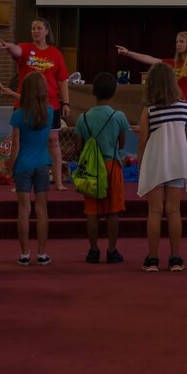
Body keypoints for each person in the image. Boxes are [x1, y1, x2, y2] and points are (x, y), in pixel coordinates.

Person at [116, 31, 187, 189]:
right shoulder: (172, 63)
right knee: (174, 147)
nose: (178, 45)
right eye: (176, 42)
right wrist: (128, 53)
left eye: (181, 42)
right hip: (173, 113)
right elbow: (152, 60)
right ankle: (174, 178)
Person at [0, 17, 70, 190]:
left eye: (39, 28)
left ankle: (58, 181)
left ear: (46, 31)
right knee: (21, 142)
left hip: (51, 104)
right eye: (33, 28)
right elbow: (17, 52)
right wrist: (10, 47)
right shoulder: (26, 48)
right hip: (25, 104)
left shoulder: (55, 53)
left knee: (53, 141)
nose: (35, 31)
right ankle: (18, 180)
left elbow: (62, 80)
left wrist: (66, 102)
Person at [137, 62, 187, 272]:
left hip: (156, 161)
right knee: (174, 211)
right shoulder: (184, 106)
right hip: (177, 161)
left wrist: (141, 163)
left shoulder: (150, 110)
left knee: (154, 211)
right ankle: (176, 259)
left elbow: (143, 139)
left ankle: (152, 259)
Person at [75, 72, 130, 264]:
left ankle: (93, 250)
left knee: (92, 211)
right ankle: (112, 250)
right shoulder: (119, 116)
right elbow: (122, 144)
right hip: (112, 165)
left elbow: (78, 147)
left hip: (92, 167)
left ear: (93, 91)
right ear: (113, 92)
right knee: (113, 210)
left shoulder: (83, 118)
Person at [5, 72, 54, 266]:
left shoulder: (18, 115)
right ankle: (42, 254)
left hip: (23, 165)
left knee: (24, 210)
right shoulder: (49, 111)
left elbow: (15, 146)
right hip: (43, 163)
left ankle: (24, 253)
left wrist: (10, 166)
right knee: (42, 210)